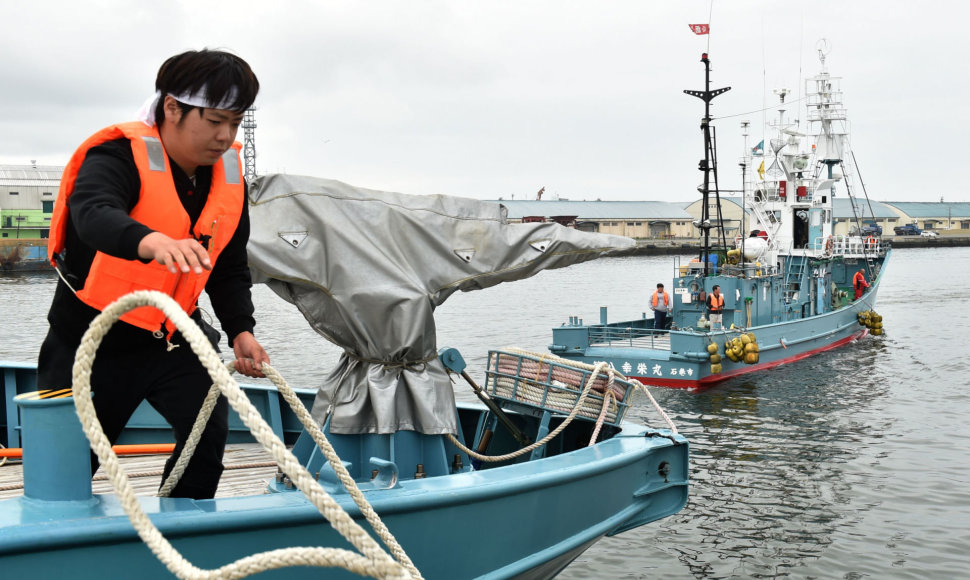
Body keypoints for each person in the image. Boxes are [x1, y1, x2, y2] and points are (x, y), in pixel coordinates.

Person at [38, 49, 269, 500]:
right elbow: (93, 212)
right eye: (215, 120)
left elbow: (227, 264)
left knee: (206, 436)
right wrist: (150, 241)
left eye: (236, 123)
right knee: (64, 470)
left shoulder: (227, 175)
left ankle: (179, 538)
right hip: (90, 342)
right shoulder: (116, 155)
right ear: (172, 108)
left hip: (172, 337)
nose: (226, 136)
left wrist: (241, 328)